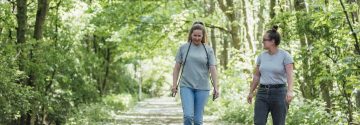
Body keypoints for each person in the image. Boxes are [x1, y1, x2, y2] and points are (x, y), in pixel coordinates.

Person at [172, 21, 219, 125]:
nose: (197, 38)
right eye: (195, 35)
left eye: (199, 36)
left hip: (202, 88)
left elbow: (213, 69)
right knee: (188, 116)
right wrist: (174, 84)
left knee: (198, 120)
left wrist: (216, 87)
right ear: (191, 35)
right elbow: (176, 68)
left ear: (203, 36)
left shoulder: (208, 50)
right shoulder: (183, 48)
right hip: (186, 86)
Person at [247, 26, 294, 125]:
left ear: (272, 41)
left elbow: (290, 75)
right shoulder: (261, 56)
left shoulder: (285, 56)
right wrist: (251, 92)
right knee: (258, 122)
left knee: (279, 123)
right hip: (262, 92)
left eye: (264, 40)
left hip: (279, 93)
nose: (262, 42)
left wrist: (290, 91)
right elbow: (256, 76)